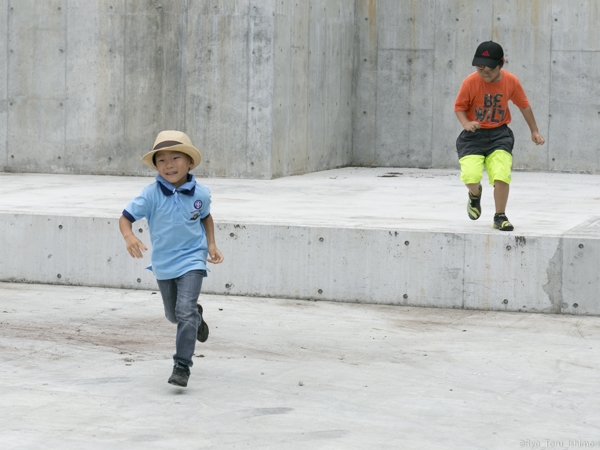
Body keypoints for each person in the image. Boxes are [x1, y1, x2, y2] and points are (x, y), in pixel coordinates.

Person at [119, 130, 224, 387]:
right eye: (162, 160)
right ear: (156, 166)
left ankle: (182, 365)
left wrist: (211, 244)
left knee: (184, 310)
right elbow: (125, 218)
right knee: (174, 316)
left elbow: (206, 217)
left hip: (193, 259)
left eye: (176, 158)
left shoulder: (202, 193)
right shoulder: (150, 194)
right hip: (164, 263)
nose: (169, 165)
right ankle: (195, 317)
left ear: (190, 162)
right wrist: (128, 236)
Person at [454, 41, 545, 231]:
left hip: (499, 135)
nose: (484, 73)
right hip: (473, 136)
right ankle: (475, 194)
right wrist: (466, 123)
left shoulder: (511, 81)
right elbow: (459, 107)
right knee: (470, 177)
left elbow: (524, 106)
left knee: (501, 174)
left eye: (489, 69)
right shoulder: (470, 82)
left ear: (501, 64)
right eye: (480, 68)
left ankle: (500, 216)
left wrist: (534, 130)